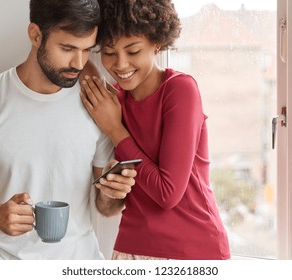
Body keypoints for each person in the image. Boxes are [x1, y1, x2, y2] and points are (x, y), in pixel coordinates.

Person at [0, 0, 136, 260]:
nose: (78, 63)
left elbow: (105, 206)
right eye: (67, 48)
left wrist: (114, 193)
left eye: (87, 50)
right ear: (35, 35)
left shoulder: (98, 103)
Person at [80, 0, 230, 260]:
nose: (120, 64)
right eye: (109, 52)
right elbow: (108, 208)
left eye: (133, 50)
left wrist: (115, 129)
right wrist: (110, 187)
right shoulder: (112, 102)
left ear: (157, 43)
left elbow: (167, 193)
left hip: (193, 252)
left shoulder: (180, 90)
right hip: (130, 249)